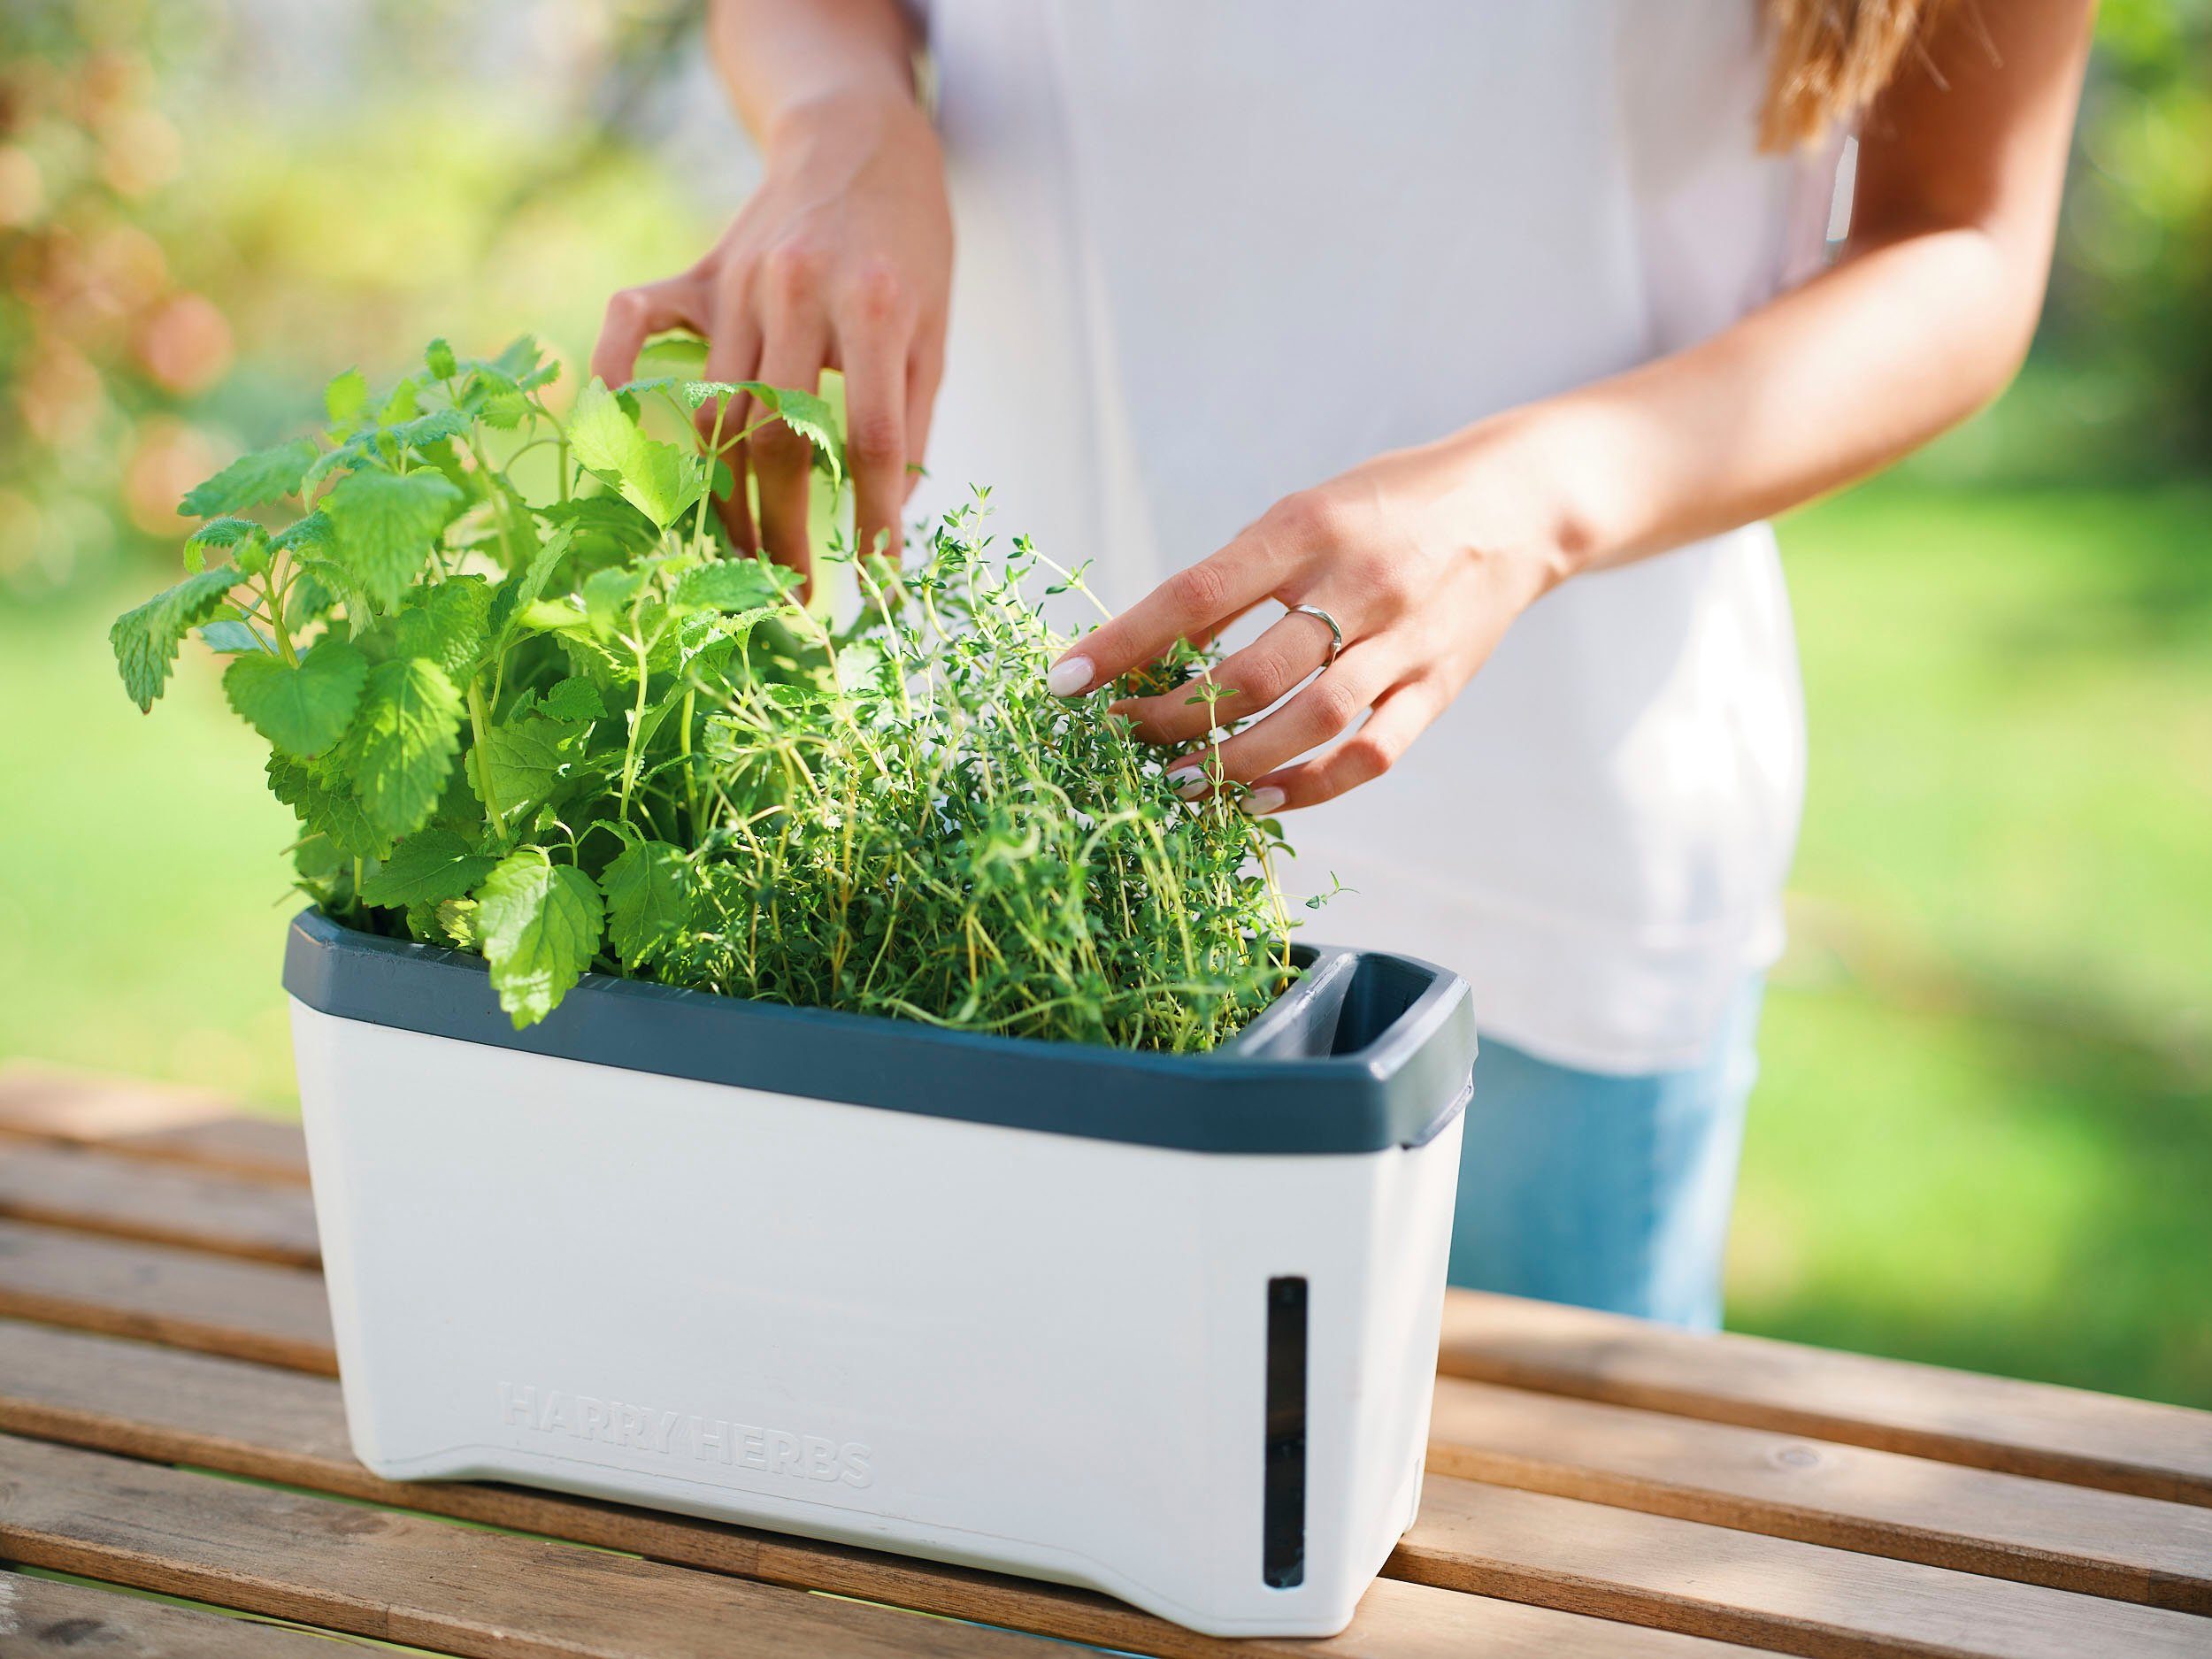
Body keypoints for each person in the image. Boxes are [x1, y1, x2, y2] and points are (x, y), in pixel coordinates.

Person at [593, 0, 2094, 1329]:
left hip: (1537, 889)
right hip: (963, 855)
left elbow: (1959, 237)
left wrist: (1531, 499)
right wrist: (840, 110)